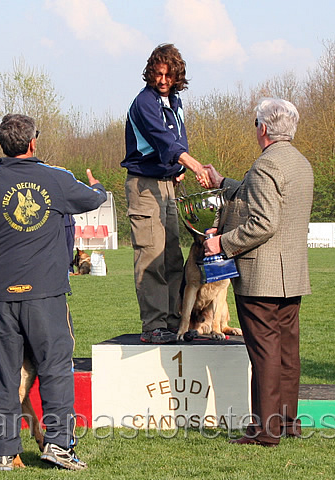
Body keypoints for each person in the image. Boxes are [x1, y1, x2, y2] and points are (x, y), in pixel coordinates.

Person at [0, 114, 106, 471]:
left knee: (1, 372)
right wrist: (98, 186)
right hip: (46, 295)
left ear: (2, 145)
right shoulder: (55, 178)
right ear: (33, 142)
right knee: (55, 367)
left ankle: (3, 451)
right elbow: (92, 199)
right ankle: (58, 447)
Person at [203, 98, 314, 447]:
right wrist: (224, 182)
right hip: (291, 273)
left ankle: (265, 430)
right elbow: (260, 196)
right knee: (286, 352)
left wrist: (222, 243)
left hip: (261, 274)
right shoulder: (300, 164)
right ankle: (286, 422)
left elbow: (262, 222)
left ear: (263, 128)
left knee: (263, 353)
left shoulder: (266, 166)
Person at [121, 43, 209, 344]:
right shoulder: (144, 102)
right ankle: (154, 326)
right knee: (151, 257)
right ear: (150, 73)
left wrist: (179, 169)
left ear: (177, 76)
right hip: (144, 186)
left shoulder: (175, 101)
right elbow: (165, 142)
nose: (162, 80)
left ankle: (176, 323)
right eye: (158, 74)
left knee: (173, 258)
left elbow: (177, 140)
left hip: (169, 187)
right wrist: (194, 165)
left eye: (168, 75)